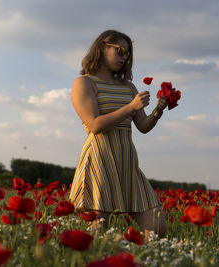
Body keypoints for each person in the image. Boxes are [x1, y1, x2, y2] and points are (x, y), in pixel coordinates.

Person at [68, 29, 167, 238]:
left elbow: (143, 126)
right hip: (99, 162)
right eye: (120, 50)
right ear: (102, 47)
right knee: (96, 233)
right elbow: (94, 125)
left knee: (157, 228)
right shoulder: (84, 83)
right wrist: (130, 108)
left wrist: (158, 110)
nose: (124, 57)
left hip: (127, 165)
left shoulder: (128, 87)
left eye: (128, 54)